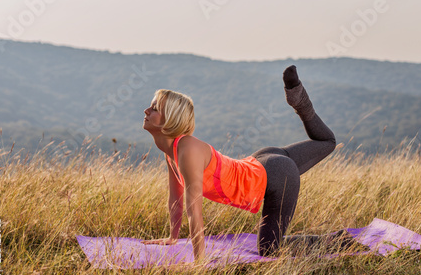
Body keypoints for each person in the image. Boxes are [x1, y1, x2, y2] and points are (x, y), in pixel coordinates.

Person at [141, 65, 336, 262]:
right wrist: (172, 238)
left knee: (269, 249)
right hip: (263, 162)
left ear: (170, 120)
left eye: (155, 108)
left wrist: (199, 262)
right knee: (327, 142)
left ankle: (338, 241)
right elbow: (175, 198)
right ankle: (298, 98)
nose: (146, 110)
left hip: (276, 176)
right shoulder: (172, 152)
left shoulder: (188, 150)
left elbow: (194, 211)